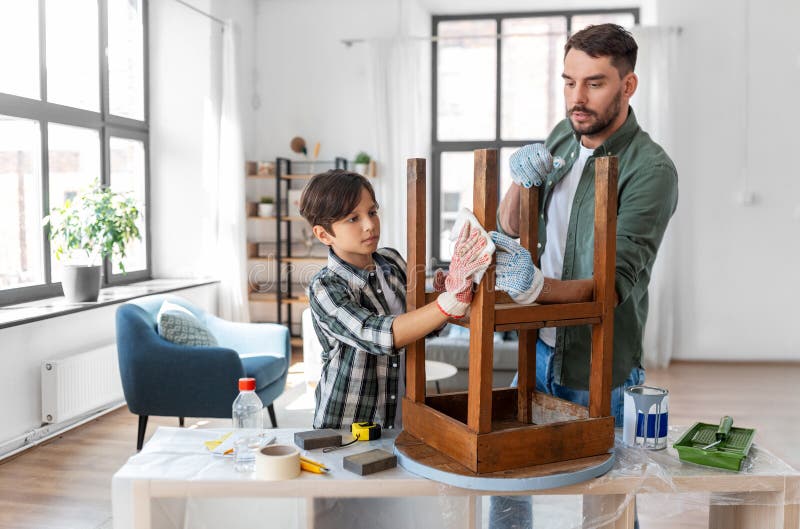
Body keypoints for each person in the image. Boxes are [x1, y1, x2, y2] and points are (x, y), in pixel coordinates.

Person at [489, 23, 678, 529]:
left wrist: (532, 288)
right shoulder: (563, 137)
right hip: (538, 349)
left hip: (600, 365)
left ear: (628, 85)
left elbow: (612, 285)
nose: (578, 97)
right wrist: (518, 182)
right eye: (569, 81)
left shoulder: (651, 170)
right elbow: (509, 225)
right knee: (506, 488)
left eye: (594, 83)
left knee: (607, 506)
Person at [299, 169, 492, 430]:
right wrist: (447, 302)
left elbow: (426, 326)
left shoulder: (392, 261)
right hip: (346, 427)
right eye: (353, 218)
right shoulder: (325, 286)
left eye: (372, 212)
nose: (369, 225)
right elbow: (374, 335)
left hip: (404, 418)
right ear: (324, 235)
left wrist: (441, 295)